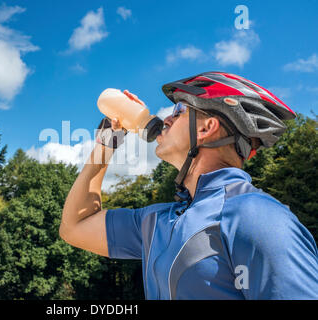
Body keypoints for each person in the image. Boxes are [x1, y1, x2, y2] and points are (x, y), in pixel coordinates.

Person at [59, 71, 318, 300]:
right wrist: (106, 145)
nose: (166, 120)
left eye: (179, 111)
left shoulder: (256, 217)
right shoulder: (157, 221)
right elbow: (76, 226)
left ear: (207, 128)